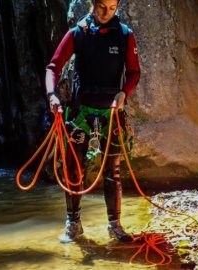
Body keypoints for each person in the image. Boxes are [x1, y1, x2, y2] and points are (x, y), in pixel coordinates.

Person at [44, 0, 140, 243]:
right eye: (101, 7)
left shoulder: (125, 35)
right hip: (81, 113)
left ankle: (115, 226)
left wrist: (124, 93)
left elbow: (134, 72)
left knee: (113, 172)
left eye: (111, 8)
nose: (106, 13)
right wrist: (52, 95)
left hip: (112, 113)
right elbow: (53, 67)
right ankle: (73, 224)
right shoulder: (78, 33)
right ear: (93, 4)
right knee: (75, 169)